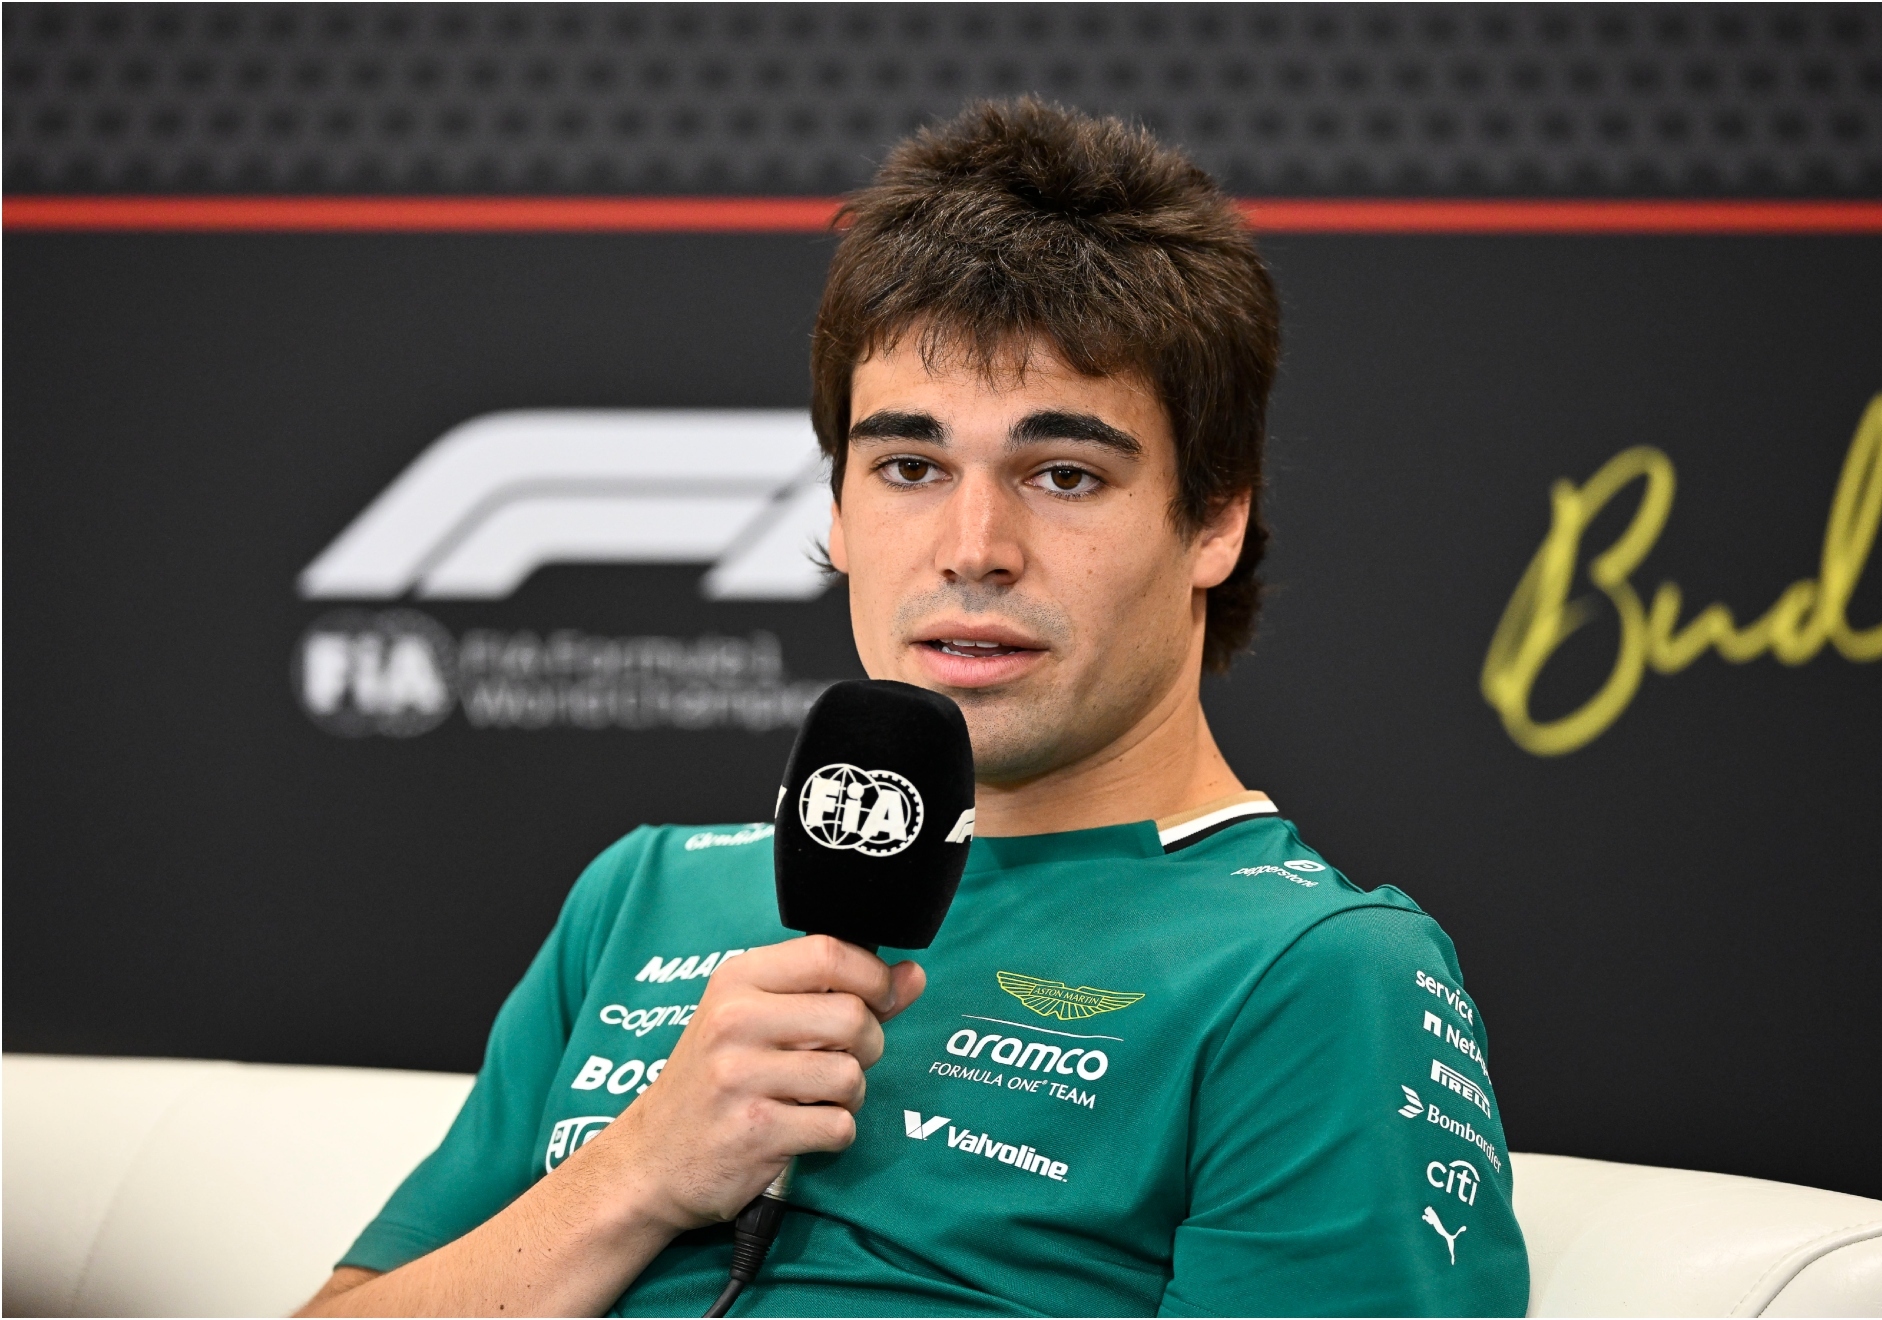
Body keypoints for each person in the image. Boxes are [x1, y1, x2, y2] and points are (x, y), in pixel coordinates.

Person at [300, 99, 1527, 1318]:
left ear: (1214, 522)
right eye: (909, 467)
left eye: (1063, 474)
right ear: (835, 509)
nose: (973, 548)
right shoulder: (645, 893)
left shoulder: (1315, 977)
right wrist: (636, 1175)